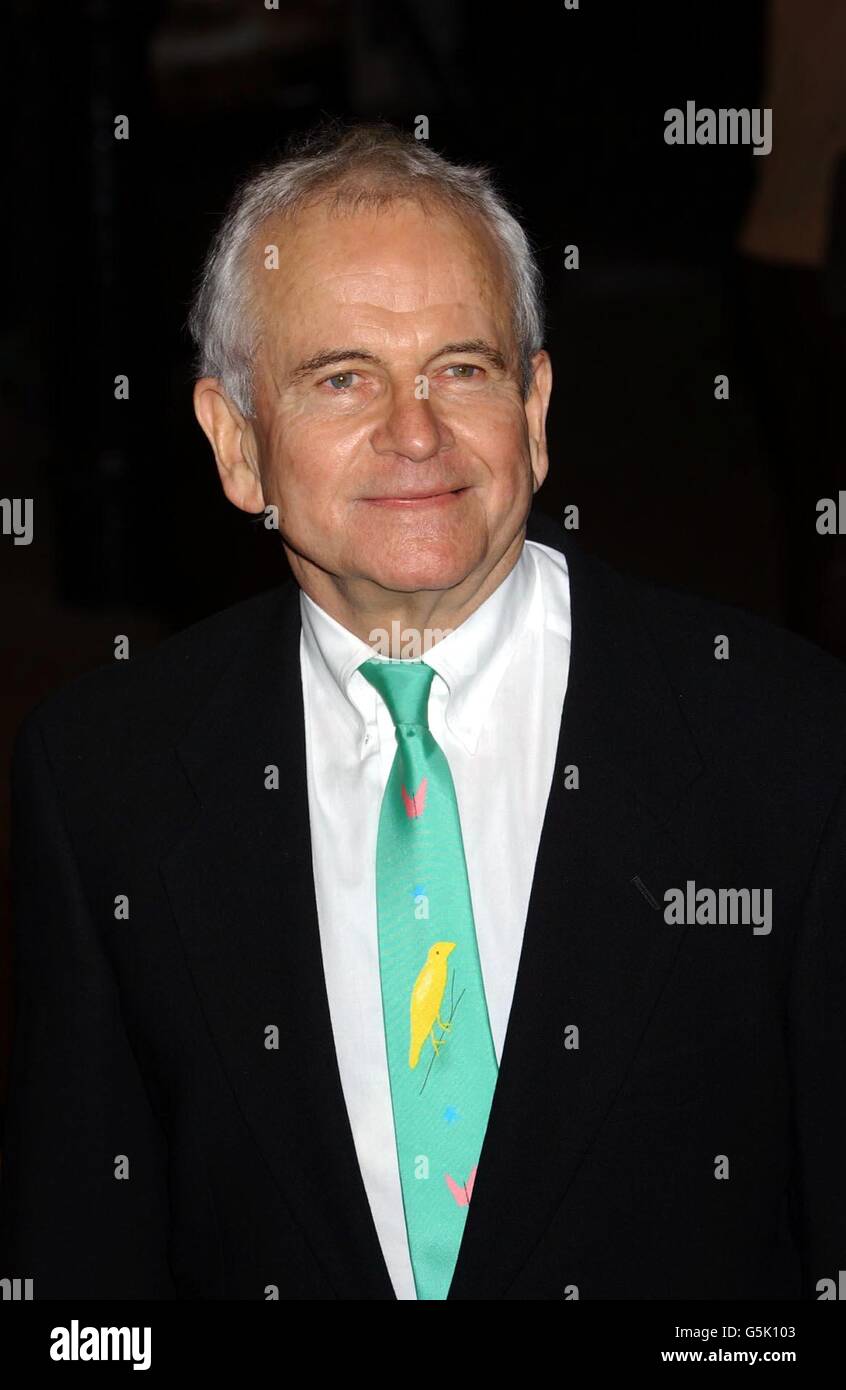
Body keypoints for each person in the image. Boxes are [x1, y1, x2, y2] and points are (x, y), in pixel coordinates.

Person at [1, 119, 845, 1301]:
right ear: (237, 446)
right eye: (343, 377)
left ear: (536, 409)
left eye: (462, 367)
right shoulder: (102, 781)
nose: (415, 431)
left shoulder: (790, 746)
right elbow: (85, 1264)